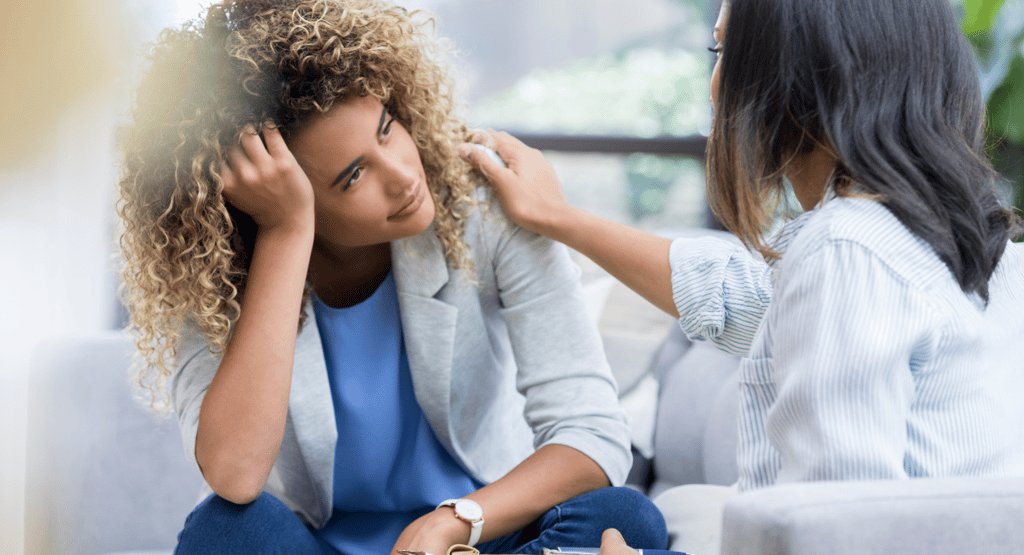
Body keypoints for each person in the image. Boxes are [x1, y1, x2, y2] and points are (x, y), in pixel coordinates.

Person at [462, 0, 1024, 552]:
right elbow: (738, 298)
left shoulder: (847, 250)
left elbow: (833, 534)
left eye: (723, 49)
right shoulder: (975, 252)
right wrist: (556, 217)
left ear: (800, 70)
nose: (714, 85)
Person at [116, 1, 670, 554]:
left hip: (479, 537)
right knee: (225, 530)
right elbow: (234, 476)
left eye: (387, 128)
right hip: (318, 545)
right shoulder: (214, 274)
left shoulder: (485, 211)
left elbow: (591, 435)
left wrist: (453, 521)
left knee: (623, 518)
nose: (405, 176)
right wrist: (286, 233)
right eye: (354, 176)